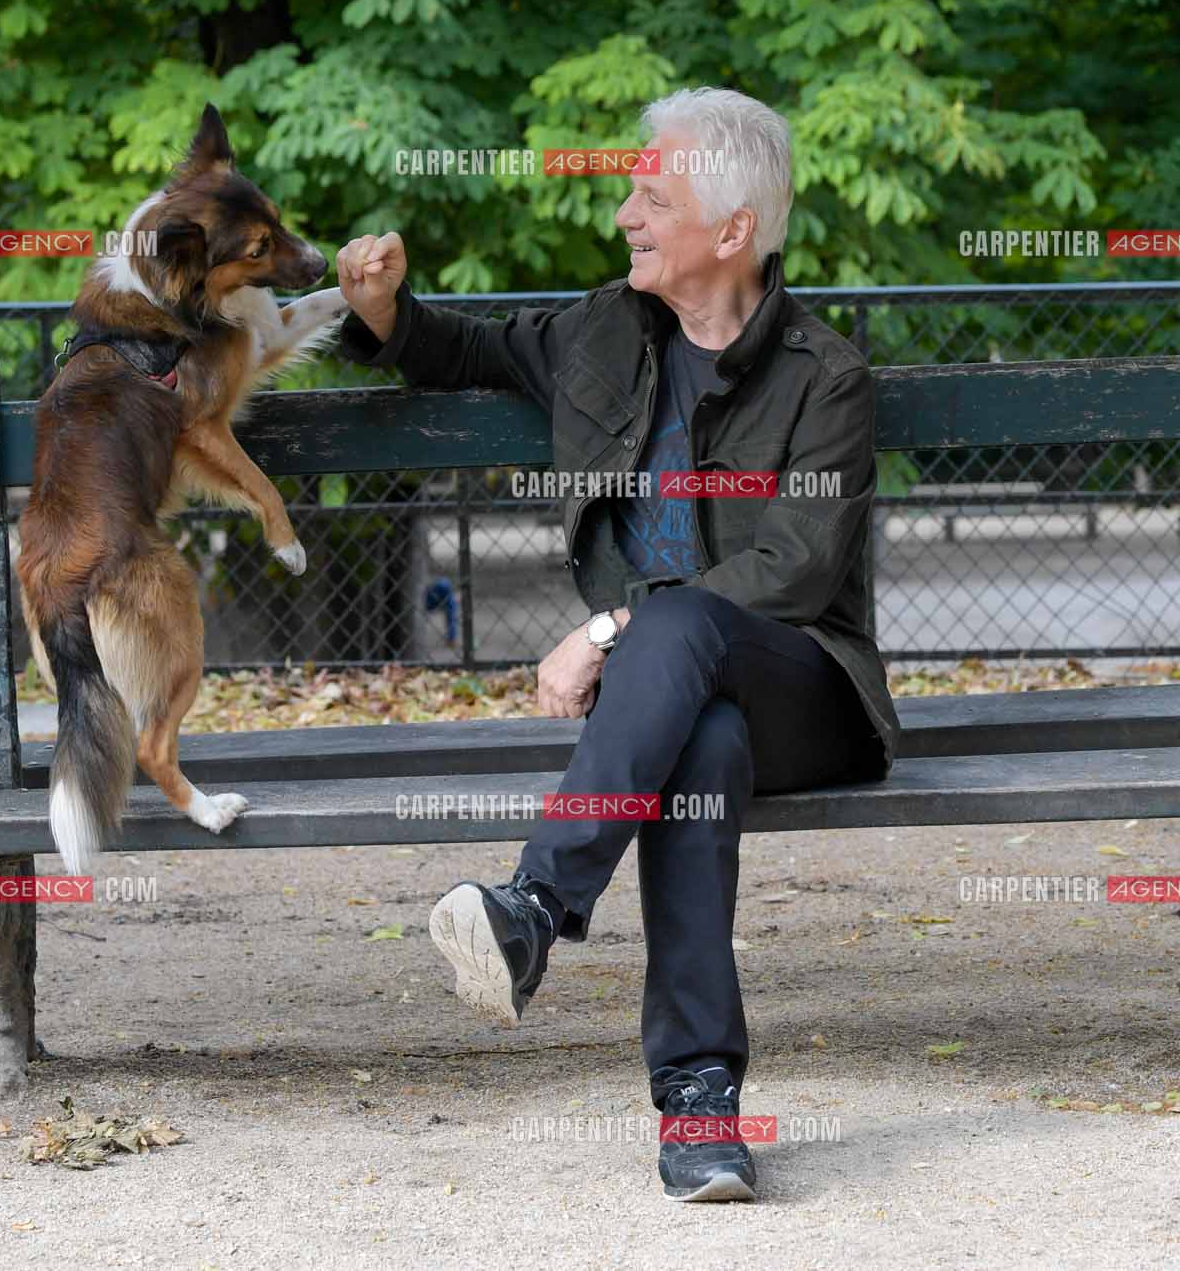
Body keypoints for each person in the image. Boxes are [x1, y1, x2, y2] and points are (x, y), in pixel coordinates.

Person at [333, 87, 897, 1202]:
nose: (626, 214)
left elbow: (795, 574)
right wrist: (384, 307)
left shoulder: (824, 378)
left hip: (808, 690)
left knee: (685, 624)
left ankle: (538, 906)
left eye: (653, 193)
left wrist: (608, 626)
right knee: (702, 750)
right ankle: (700, 1111)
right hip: (677, 709)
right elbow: (463, 351)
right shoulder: (603, 334)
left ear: (732, 232)